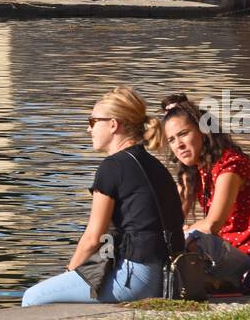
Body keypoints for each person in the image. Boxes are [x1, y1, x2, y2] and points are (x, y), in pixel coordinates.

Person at [22, 86, 183, 307]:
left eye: (93, 122)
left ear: (113, 124)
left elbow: (93, 237)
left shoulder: (112, 166)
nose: (89, 130)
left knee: (33, 297)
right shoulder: (153, 165)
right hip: (166, 276)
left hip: (136, 279)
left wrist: (70, 271)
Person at [152, 93, 250, 290]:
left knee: (195, 238)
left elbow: (213, 224)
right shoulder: (198, 170)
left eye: (183, 134)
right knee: (168, 237)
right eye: (171, 140)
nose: (178, 145)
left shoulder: (230, 165)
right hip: (231, 252)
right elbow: (173, 219)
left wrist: (184, 232)